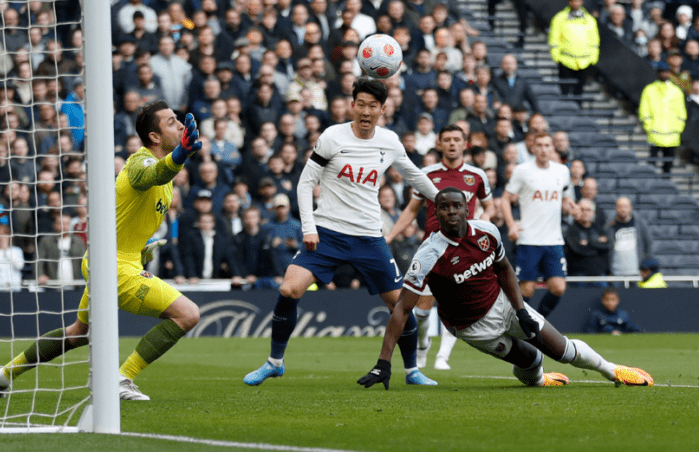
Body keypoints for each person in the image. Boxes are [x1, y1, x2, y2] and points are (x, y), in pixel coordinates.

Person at [0, 101, 203, 401]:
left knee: (79, 333)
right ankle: (122, 378)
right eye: (171, 121)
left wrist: (139, 248)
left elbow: (132, 209)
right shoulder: (141, 161)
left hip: (107, 259)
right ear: (154, 136)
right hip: (115, 266)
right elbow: (152, 174)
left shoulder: (167, 171)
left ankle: (3, 375)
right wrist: (181, 154)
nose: (180, 125)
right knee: (188, 314)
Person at [243, 78, 443, 387]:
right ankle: (274, 362)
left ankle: (412, 371)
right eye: (360, 104)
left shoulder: (389, 142)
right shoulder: (332, 137)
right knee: (288, 290)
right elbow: (305, 182)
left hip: (368, 237)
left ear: (383, 109)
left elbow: (414, 175)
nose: (365, 111)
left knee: (401, 306)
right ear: (352, 105)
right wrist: (308, 228)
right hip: (327, 234)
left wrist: (441, 199)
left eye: (372, 106)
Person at [357, 188, 654, 390]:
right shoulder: (428, 254)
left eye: (456, 206)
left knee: (560, 349)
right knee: (531, 361)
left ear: (466, 208)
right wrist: (384, 362)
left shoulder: (486, 232)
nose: (451, 212)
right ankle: (539, 380)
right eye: (443, 207)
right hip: (471, 326)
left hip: (503, 304)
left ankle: (611, 370)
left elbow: (504, 269)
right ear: (437, 212)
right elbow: (402, 309)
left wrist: (520, 309)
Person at [385, 124, 494, 370]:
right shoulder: (427, 174)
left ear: (465, 144)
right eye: (447, 140)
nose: (452, 144)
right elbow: (412, 210)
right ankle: (424, 345)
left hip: (465, 250)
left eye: (457, 139)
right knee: (422, 313)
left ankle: (442, 357)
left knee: (458, 307)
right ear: (439, 143)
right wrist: (391, 234)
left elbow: (490, 205)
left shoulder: (477, 175)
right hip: (433, 250)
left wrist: (485, 220)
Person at [500, 133, 577, 318]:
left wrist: (572, 207)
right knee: (527, 289)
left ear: (553, 148)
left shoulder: (562, 171)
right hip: (529, 239)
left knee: (558, 287)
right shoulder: (522, 171)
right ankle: (518, 323)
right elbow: (504, 200)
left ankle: (540, 321)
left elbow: (564, 198)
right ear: (533, 148)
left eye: (547, 145)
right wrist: (511, 225)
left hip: (554, 239)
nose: (543, 149)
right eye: (539, 145)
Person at [639, 62, 687, 175]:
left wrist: (678, 128)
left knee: (668, 164)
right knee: (652, 162)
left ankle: (666, 186)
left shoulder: (676, 91)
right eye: (662, 72)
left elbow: (681, 113)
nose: (664, 74)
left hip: (672, 134)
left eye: (666, 72)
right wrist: (649, 126)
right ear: (658, 73)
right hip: (655, 132)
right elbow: (644, 110)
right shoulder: (649, 90)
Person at [549, 0, 600, 96]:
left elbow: (594, 40)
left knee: (579, 89)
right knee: (564, 89)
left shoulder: (590, 20)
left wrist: (593, 57)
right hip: (565, 59)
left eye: (578, 0)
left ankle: (578, 108)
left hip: (584, 61)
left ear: (582, 2)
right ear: (569, 2)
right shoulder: (560, 18)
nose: (576, 3)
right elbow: (554, 37)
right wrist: (556, 55)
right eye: (573, 0)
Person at [563, 199, 609, 281]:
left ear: (593, 213)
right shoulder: (571, 230)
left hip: (598, 274)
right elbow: (577, 249)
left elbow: (606, 245)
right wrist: (597, 243)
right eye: (582, 209)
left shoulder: (599, 229)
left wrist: (588, 243)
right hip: (577, 275)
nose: (585, 212)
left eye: (588, 210)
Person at [607, 196, 653, 277]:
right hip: (616, 273)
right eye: (620, 207)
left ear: (630, 208)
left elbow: (648, 244)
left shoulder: (640, 224)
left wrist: (646, 266)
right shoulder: (610, 226)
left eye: (625, 206)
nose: (623, 209)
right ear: (616, 208)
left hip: (636, 272)